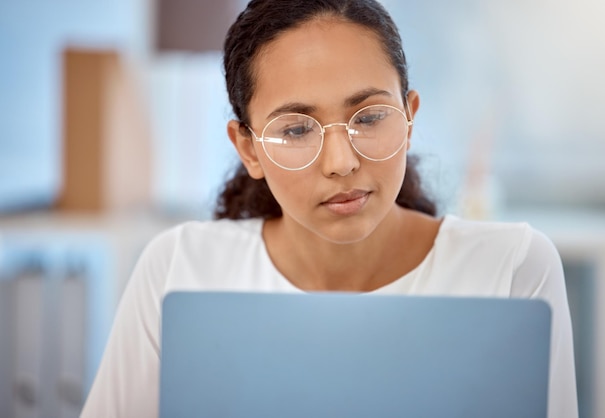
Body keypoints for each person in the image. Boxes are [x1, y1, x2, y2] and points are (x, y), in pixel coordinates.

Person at [81, 0, 578, 416]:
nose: (342, 162)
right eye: (296, 129)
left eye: (369, 117)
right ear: (249, 149)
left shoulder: (511, 270)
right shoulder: (180, 270)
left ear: (409, 118)